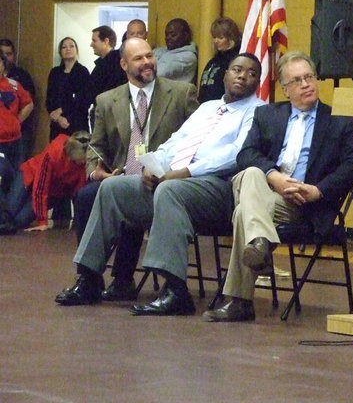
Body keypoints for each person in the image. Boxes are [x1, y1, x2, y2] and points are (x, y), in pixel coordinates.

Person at [55, 53, 265, 315]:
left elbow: (237, 153)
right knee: (112, 188)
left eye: (251, 73)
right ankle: (88, 279)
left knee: (169, 189)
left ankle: (176, 291)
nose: (243, 76)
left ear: (258, 81)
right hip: (174, 183)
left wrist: (185, 172)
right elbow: (176, 141)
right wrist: (152, 166)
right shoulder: (207, 108)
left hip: (216, 187)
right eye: (236, 69)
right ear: (225, 74)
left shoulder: (258, 111)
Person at [203, 51, 353, 322]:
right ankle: (260, 242)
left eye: (309, 77)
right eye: (297, 80)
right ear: (286, 90)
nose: (306, 84)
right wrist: (274, 177)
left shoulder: (338, 120)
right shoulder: (268, 114)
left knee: (244, 213)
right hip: (268, 193)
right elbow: (246, 154)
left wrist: (317, 190)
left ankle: (242, 298)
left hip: (303, 203)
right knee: (251, 173)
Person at [68, 37, 198, 302]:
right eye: (138, 58)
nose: (147, 62)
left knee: (125, 191)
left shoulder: (182, 93)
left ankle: (123, 279)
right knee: (86, 196)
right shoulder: (106, 100)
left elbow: (196, 142)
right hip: (119, 175)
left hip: (163, 181)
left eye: (150, 56)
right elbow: (96, 147)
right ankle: (90, 280)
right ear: (124, 64)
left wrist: (170, 171)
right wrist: (97, 173)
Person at [0, 131, 89, 234]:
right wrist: (43, 222)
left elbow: (79, 192)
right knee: (7, 213)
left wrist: (81, 220)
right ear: (71, 155)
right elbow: (40, 188)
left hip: (53, 193)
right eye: (82, 160)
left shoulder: (83, 163)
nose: (83, 163)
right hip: (31, 175)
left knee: (19, 221)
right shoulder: (53, 154)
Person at [46, 37, 91, 140]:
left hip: (77, 123)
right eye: (64, 47)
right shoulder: (55, 72)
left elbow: (82, 99)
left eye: (71, 46)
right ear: (60, 52)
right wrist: (58, 118)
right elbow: (50, 98)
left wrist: (62, 110)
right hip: (57, 123)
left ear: (76, 50)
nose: (68, 49)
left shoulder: (82, 72)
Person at [0, 39, 36, 158]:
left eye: (8, 54)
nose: (5, 57)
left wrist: (15, 121)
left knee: (16, 172)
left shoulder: (17, 80)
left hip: (16, 136)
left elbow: (29, 103)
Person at [199, 17, 242, 103]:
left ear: (231, 38)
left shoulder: (235, 61)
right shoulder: (213, 61)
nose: (216, 41)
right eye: (214, 37)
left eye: (221, 38)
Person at [88, 25, 127, 109]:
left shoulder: (116, 63)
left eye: (94, 41)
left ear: (106, 41)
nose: (91, 44)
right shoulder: (101, 64)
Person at [153, 18, 198, 83]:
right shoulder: (161, 50)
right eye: (166, 35)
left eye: (173, 35)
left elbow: (159, 73)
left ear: (185, 35)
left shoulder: (188, 57)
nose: (168, 38)